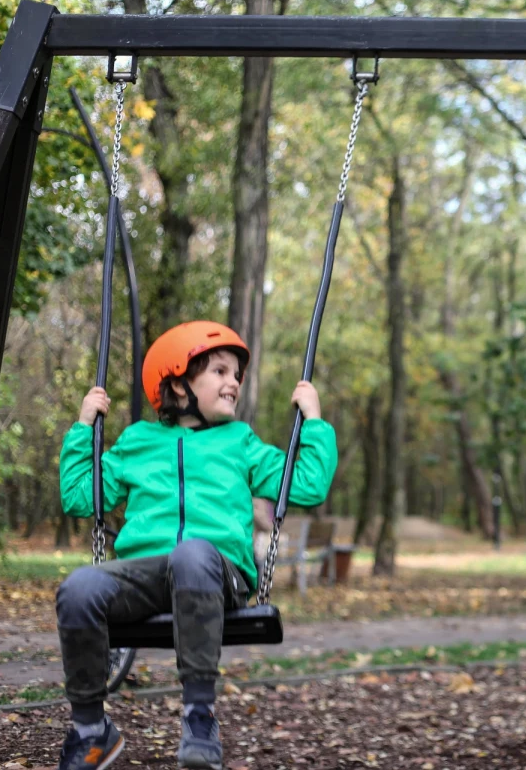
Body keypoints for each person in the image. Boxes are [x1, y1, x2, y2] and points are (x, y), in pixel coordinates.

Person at [54, 321, 338, 770]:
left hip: (217, 573)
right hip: (146, 575)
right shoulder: (137, 442)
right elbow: (78, 496)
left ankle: (199, 715)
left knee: (193, 554)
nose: (233, 383)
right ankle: (91, 729)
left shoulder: (239, 441)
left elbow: (304, 486)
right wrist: (83, 426)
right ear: (179, 383)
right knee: (79, 587)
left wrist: (314, 421)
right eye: (220, 371)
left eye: (236, 376)